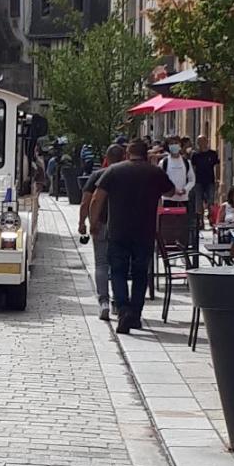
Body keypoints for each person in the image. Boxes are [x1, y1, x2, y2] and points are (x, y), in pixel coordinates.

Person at [90, 140, 174, 335]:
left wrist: (94, 223)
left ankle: (123, 309)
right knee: (140, 273)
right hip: (144, 231)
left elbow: (97, 198)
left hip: (118, 231)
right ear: (146, 154)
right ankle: (135, 314)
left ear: (128, 153)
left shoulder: (114, 171)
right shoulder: (154, 173)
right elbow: (170, 190)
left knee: (117, 272)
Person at [79, 143, 126, 320]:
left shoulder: (97, 175)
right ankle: (117, 302)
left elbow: (86, 201)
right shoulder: (125, 176)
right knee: (118, 265)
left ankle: (103, 302)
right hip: (121, 226)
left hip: (100, 224)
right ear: (124, 157)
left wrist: (83, 222)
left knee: (100, 264)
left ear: (106, 158)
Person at [191, 135, 220, 229]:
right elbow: (193, 168)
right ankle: (200, 221)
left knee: (211, 201)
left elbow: (217, 167)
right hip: (198, 181)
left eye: (202, 141)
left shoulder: (213, 154)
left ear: (207, 142)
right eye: (199, 141)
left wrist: (218, 179)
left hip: (210, 180)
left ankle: (211, 219)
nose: (200, 143)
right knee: (198, 202)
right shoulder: (195, 155)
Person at [159, 136, 195, 207]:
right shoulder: (163, 163)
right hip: (168, 199)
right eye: (171, 143)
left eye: (176, 143)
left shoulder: (186, 162)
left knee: (183, 218)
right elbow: (159, 180)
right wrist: (172, 191)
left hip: (183, 200)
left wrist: (185, 189)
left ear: (180, 145)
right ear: (168, 146)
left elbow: (192, 180)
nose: (174, 145)